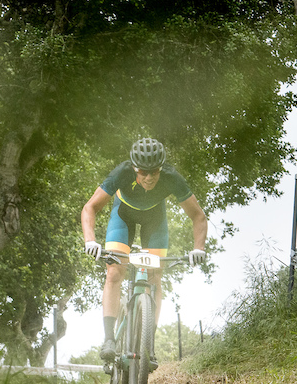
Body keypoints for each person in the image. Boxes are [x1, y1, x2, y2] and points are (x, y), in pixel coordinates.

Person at [80, 138, 208, 363]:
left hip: (154, 220)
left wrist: (199, 248)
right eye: (143, 172)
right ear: (134, 168)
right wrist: (90, 241)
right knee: (114, 272)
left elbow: (198, 215)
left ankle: (148, 343)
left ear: (161, 168)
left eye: (154, 172)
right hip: (123, 218)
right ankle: (109, 339)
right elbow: (90, 207)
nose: (149, 178)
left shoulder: (171, 177)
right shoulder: (122, 173)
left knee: (155, 275)